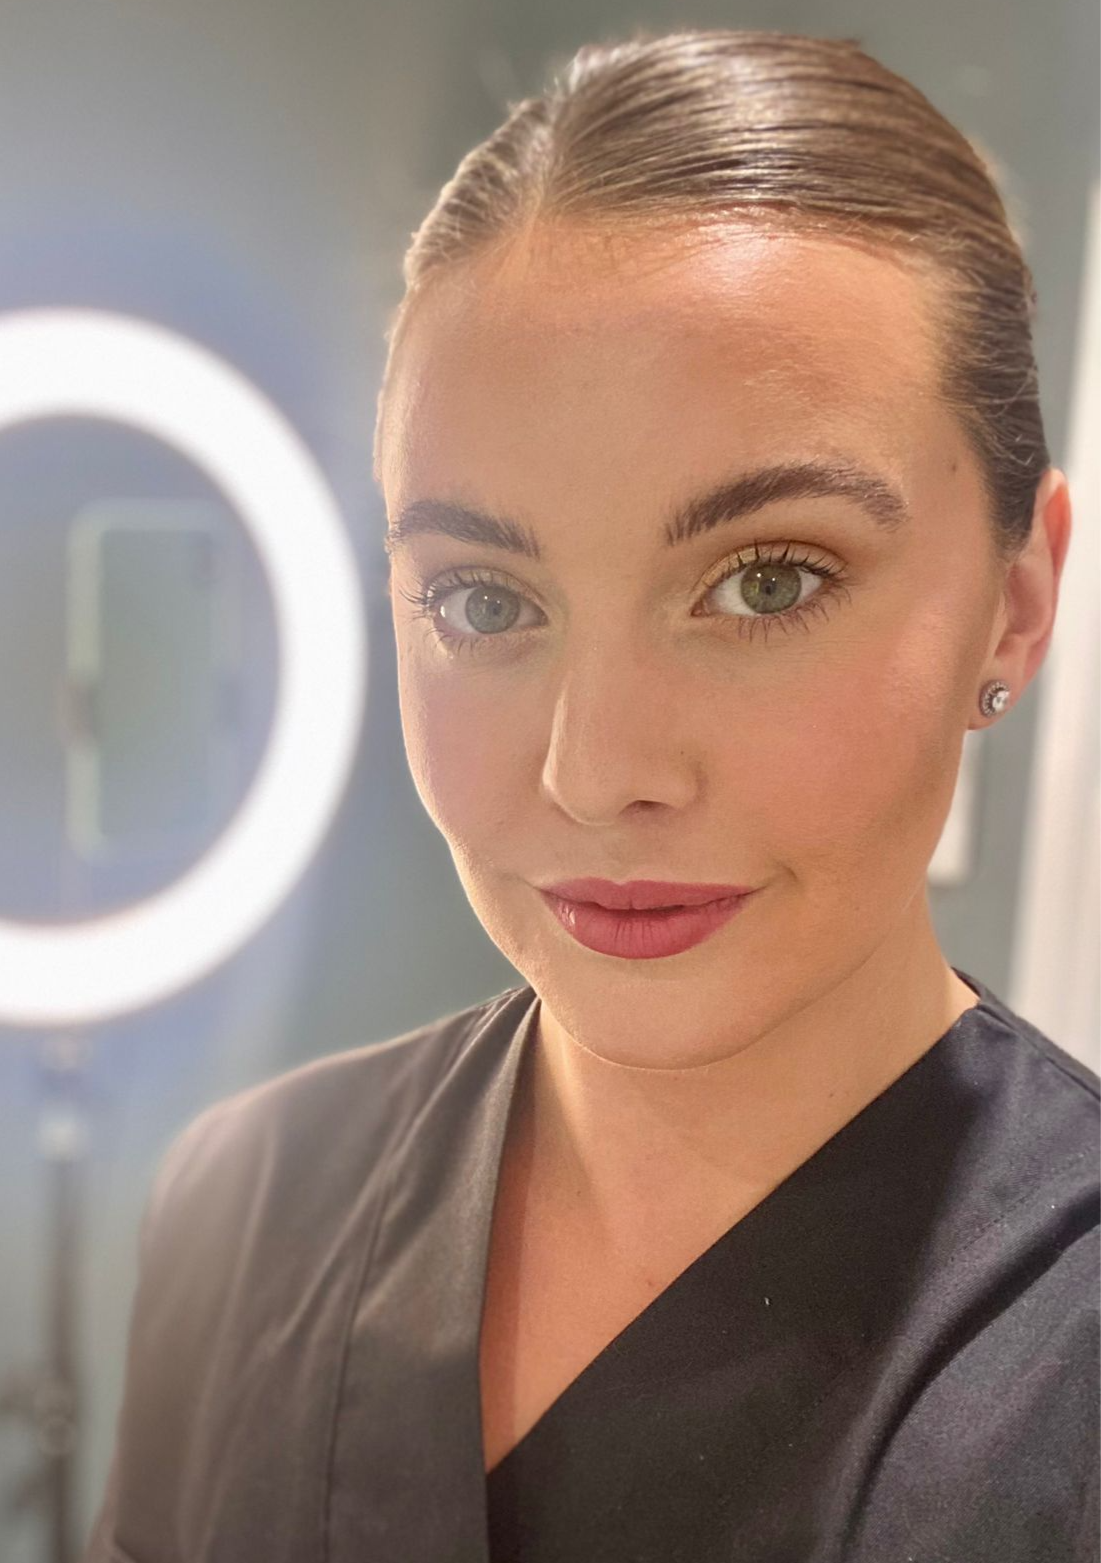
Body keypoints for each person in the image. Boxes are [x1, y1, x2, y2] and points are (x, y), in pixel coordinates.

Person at [83, 25, 1090, 1563]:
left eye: (766, 580)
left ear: (1012, 600)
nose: (592, 768)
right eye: (484, 603)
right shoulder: (245, 1207)